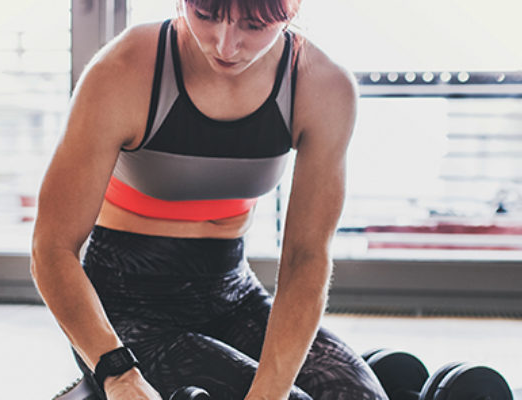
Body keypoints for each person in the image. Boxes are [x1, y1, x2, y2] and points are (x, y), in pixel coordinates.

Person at [30, 0, 384, 398]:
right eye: (206, 16)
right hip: (124, 305)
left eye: (253, 25)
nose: (225, 45)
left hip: (233, 294)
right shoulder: (125, 69)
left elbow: (307, 255)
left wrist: (269, 391)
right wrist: (118, 373)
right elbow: (52, 248)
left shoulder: (322, 86)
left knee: (357, 395)